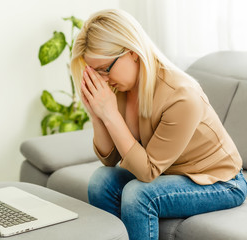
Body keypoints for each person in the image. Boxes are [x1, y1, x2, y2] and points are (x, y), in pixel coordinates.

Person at [70, 9, 247, 240]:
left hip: (220, 182)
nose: (103, 80)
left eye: (105, 69)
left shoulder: (181, 95)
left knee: (138, 194)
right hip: (171, 173)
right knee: (101, 181)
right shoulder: (122, 87)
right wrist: (97, 114)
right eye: (95, 72)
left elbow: (147, 172)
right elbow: (110, 159)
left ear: (132, 52)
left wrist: (110, 114)